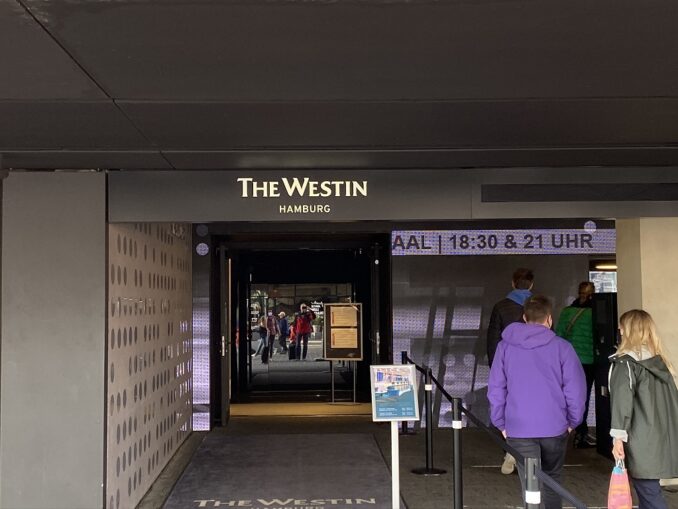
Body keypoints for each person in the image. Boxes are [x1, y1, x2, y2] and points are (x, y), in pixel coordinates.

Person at [488, 295, 586, 509]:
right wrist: (573, 422)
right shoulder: (563, 348)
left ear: (524, 317)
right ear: (549, 319)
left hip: (519, 426)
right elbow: (575, 390)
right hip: (555, 425)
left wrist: (500, 423)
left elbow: (496, 388)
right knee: (552, 478)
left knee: (529, 483)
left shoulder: (505, 347)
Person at [610, 309, 678, 509]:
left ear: (628, 331)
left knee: (649, 495)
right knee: (649, 492)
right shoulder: (662, 364)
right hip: (661, 437)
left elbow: (622, 403)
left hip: (640, 440)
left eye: (622, 327)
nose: (619, 331)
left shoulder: (625, 364)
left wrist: (617, 438)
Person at [487, 267, 534, 474]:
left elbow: (493, 340)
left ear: (513, 283)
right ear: (531, 284)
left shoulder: (501, 307)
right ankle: (528, 451)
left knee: (507, 407)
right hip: (535, 367)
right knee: (531, 406)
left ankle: (511, 448)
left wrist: (494, 366)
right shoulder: (539, 306)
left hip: (507, 365)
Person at [555, 281, 596, 448]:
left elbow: (559, 336)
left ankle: (564, 429)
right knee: (583, 397)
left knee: (568, 394)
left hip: (569, 361)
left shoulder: (566, 312)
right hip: (589, 361)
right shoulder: (595, 313)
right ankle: (581, 432)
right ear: (593, 294)